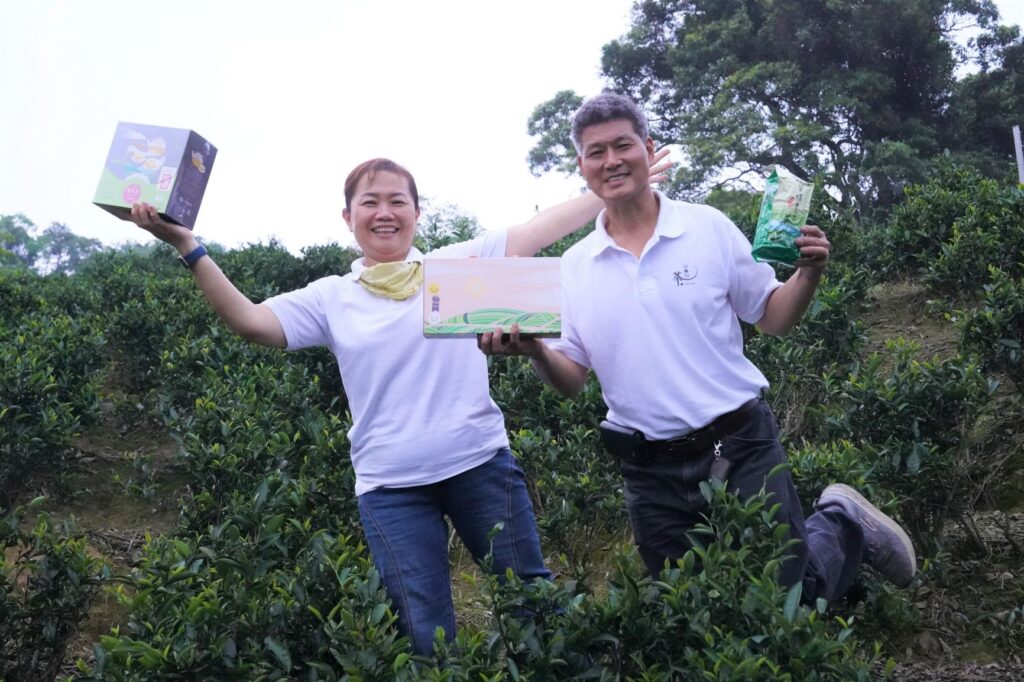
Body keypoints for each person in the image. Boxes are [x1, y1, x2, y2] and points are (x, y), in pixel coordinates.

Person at [128, 153, 668, 656]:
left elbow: (536, 231)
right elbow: (250, 321)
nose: (384, 213)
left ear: (416, 212)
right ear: (348, 217)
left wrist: (605, 189)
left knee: (532, 605)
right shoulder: (331, 297)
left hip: (480, 464)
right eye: (370, 202)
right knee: (422, 631)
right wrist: (188, 246)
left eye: (397, 201)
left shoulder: (453, 268)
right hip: (390, 487)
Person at [479, 92, 916, 604]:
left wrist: (808, 273)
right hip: (647, 467)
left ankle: (843, 521)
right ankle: (836, 531)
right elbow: (571, 378)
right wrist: (535, 352)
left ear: (648, 148)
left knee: (785, 600)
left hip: (739, 443)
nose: (612, 160)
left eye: (623, 145)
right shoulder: (574, 265)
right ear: (582, 166)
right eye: (596, 152)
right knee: (688, 611)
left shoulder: (706, 227)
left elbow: (773, 317)